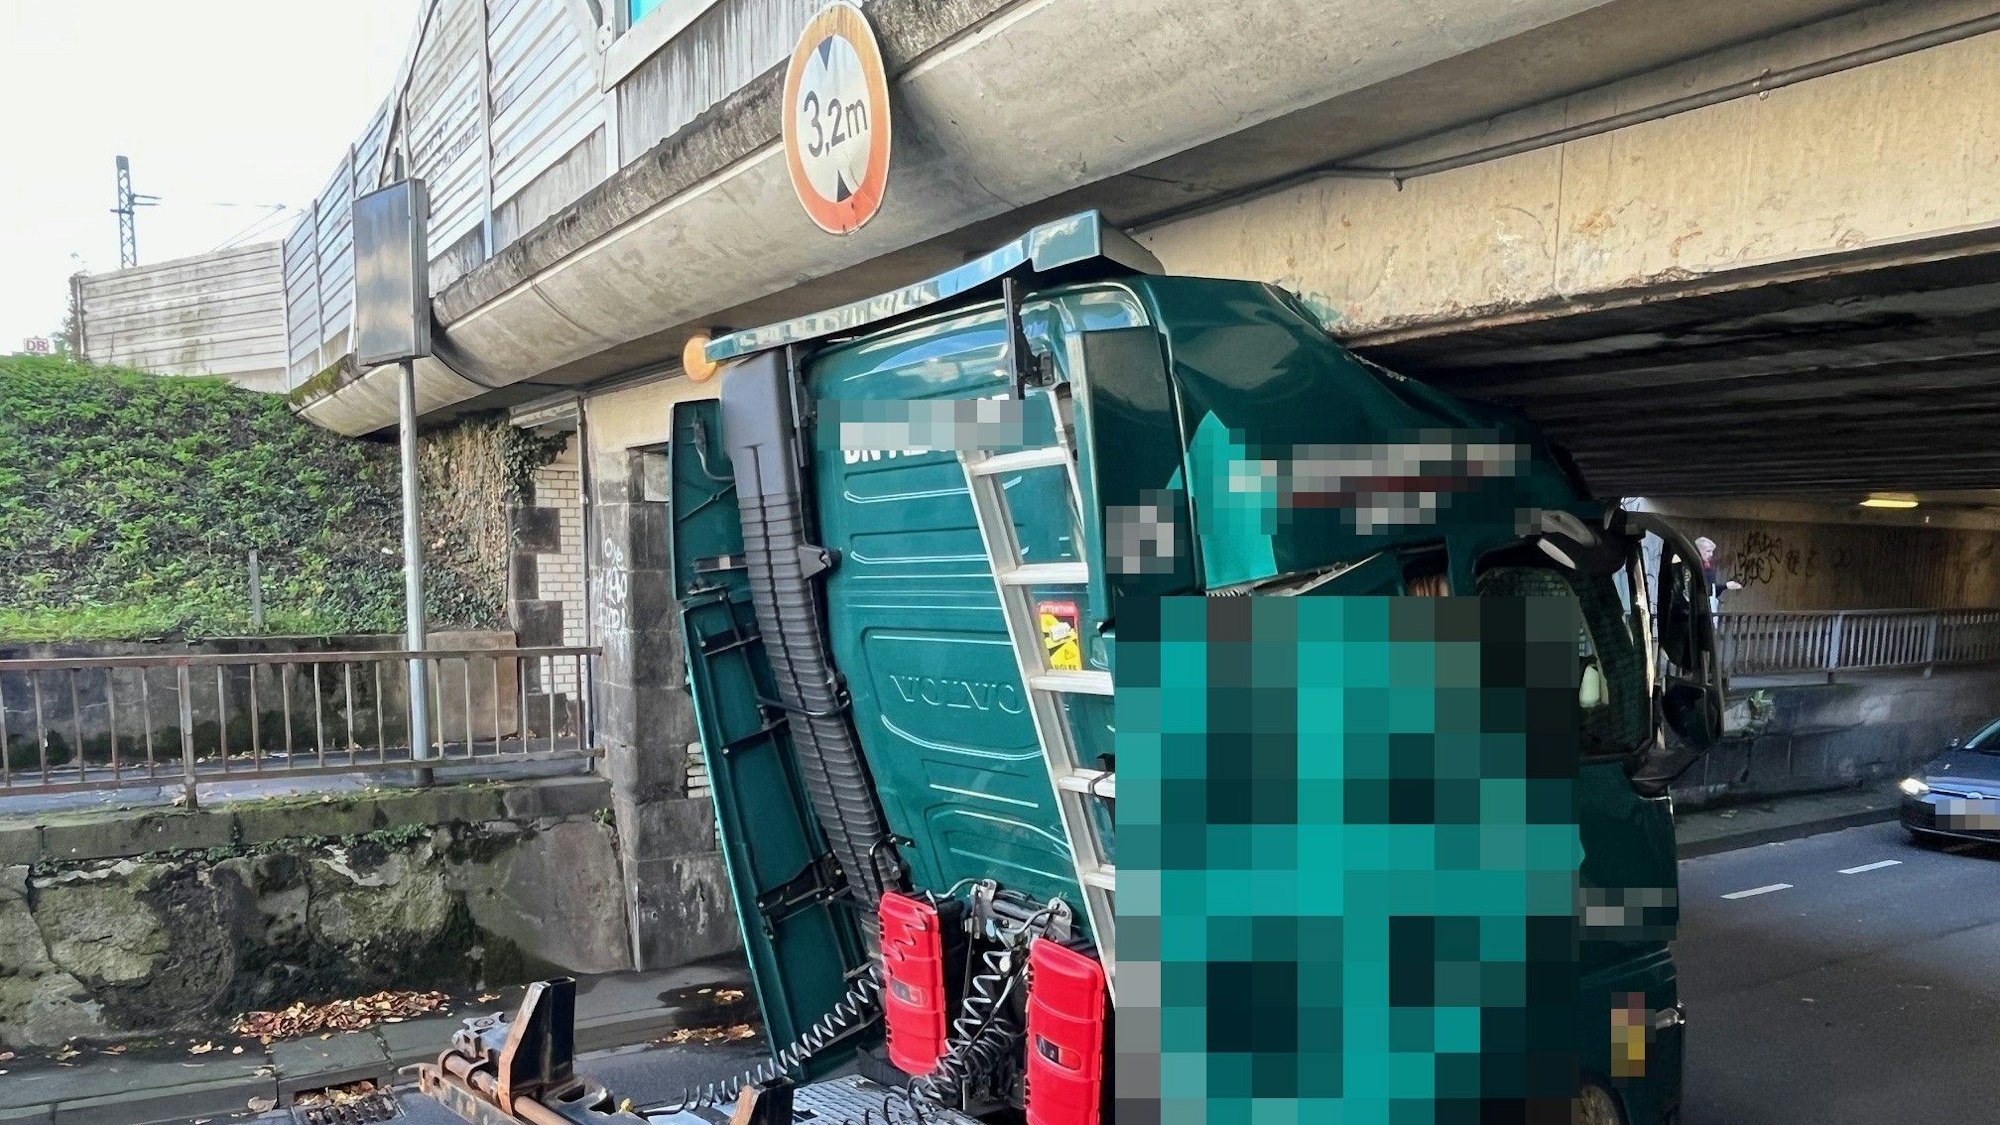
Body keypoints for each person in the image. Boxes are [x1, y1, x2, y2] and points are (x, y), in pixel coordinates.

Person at [1695, 538, 1742, 603]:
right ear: (1699, 551)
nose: (1711, 554)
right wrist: (1725, 586)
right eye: (1708, 551)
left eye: (1712, 551)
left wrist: (1725, 586)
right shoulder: (1694, 568)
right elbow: (1704, 591)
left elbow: (1712, 592)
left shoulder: (1709, 567)